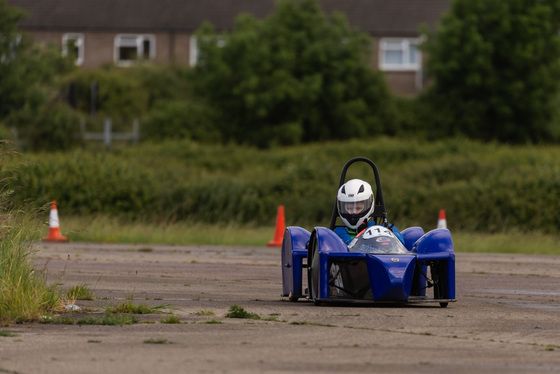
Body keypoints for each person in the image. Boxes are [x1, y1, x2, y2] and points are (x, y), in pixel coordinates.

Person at [333, 179, 404, 245]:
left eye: (358, 208)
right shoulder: (338, 233)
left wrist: (388, 233)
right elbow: (352, 247)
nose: (353, 212)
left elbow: (401, 245)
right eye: (348, 208)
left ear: (369, 205)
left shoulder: (381, 228)